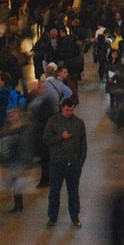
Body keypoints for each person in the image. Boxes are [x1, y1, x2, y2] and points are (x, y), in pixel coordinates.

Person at [43, 97, 86, 228]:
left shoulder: (79, 123)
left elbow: (83, 145)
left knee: (73, 192)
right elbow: (46, 139)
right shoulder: (53, 121)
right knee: (54, 192)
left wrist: (80, 163)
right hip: (57, 163)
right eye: (67, 110)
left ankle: (74, 217)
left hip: (73, 164)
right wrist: (61, 137)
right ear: (62, 108)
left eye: (72, 110)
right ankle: (52, 217)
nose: (70, 113)